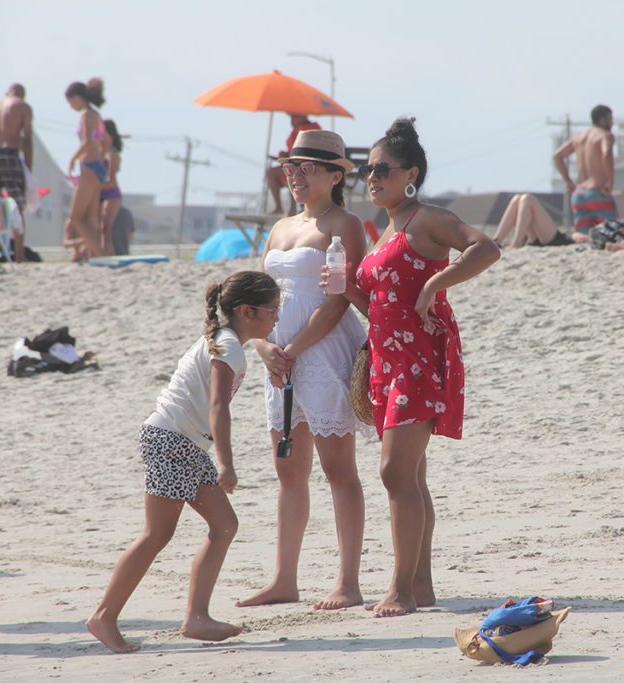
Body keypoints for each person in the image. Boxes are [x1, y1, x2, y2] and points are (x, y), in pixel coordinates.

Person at [330, 118, 499, 617]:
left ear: (412, 174)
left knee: (394, 473)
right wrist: (346, 288)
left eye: (382, 169)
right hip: (386, 360)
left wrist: (434, 284)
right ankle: (421, 586)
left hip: (421, 360)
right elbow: (380, 306)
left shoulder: (426, 218)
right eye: (366, 169)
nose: (371, 177)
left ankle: (401, 589)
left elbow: (486, 248)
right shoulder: (384, 228)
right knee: (412, 477)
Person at [87, 271, 280, 654]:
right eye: (273, 309)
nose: (277, 316)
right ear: (247, 311)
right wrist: (226, 463)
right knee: (156, 534)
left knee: (224, 525)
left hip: (180, 442)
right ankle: (104, 617)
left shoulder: (227, 340)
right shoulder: (228, 345)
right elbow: (218, 406)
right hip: (171, 440)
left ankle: (196, 617)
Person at [236, 130, 368, 611]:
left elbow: (339, 300)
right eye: (291, 167)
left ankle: (348, 581)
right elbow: (257, 295)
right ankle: (284, 579)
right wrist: (265, 348)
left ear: (335, 175)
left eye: (306, 167)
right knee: (289, 469)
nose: (295, 175)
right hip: (279, 354)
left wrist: (291, 347)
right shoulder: (280, 227)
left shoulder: (345, 223)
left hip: (324, 350)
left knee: (338, 469)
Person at [553, 104, 617, 240]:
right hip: (598, 192)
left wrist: (567, 181)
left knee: (582, 235)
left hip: (579, 194)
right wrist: (610, 182)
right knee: (611, 231)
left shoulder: (579, 137)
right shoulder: (605, 135)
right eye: (610, 119)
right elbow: (606, 154)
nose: (612, 122)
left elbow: (557, 156)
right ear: (602, 120)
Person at [0, 84, 33, 263]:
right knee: (17, 205)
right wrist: (28, 168)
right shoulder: (22, 106)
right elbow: (27, 140)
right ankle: (19, 256)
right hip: (9, 154)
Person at [65, 78, 108, 259]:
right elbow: (104, 143)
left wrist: (74, 158)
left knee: (76, 217)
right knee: (91, 218)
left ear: (77, 97)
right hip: (98, 167)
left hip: (89, 167)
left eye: (70, 101)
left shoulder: (86, 116)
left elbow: (88, 142)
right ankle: (94, 255)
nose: (71, 106)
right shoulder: (96, 115)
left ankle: (99, 254)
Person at [267, 114, 322, 215]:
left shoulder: (311, 128)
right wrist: (285, 154)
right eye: (291, 117)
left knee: (292, 173)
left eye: (294, 116)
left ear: (303, 116)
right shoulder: (298, 129)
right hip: (293, 162)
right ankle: (281, 207)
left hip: (307, 164)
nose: (292, 120)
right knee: (277, 172)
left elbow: (306, 150)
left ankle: (292, 208)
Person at [491, 194, 573, 248]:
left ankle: (517, 243)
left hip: (559, 240)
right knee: (517, 199)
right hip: (538, 239)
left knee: (527, 198)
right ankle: (496, 242)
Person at [100, 120, 124, 254]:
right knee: (100, 229)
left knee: (106, 229)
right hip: (102, 192)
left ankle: (109, 254)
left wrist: (95, 187)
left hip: (112, 194)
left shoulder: (113, 154)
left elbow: (111, 180)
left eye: (104, 134)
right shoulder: (101, 153)